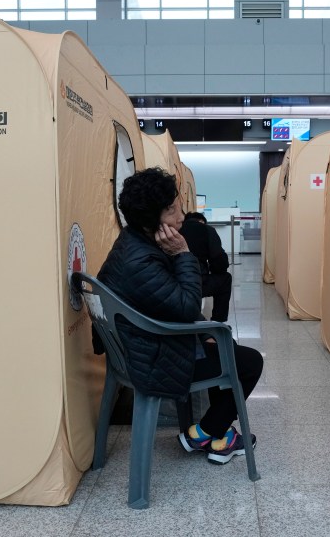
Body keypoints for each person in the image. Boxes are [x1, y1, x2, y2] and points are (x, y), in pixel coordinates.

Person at [97, 167, 263, 465]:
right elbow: (187, 305)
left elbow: (167, 303)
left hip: (143, 346)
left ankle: (219, 435)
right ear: (151, 219)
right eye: (172, 209)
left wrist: (202, 333)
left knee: (219, 345)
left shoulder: (132, 243)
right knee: (250, 362)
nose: (181, 215)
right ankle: (205, 433)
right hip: (153, 360)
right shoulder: (142, 260)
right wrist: (184, 253)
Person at [177, 211, 232, 323]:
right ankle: (217, 322)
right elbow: (219, 262)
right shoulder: (207, 229)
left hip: (171, 283)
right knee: (225, 279)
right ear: (202, 221)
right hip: (198, 284)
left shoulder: (172, 230)